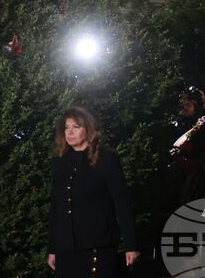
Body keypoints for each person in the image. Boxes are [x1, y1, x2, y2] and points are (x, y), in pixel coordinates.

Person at [47, 107, 139, 276]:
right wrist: (53, 248)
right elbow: (56, 209)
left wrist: (131, 246)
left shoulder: (106, 160)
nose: (70, 132)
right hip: (66, 250)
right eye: (66, 127)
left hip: (99, 247)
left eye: (76, 127)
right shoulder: (59, 163)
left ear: (88, 128)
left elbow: (122, 204)